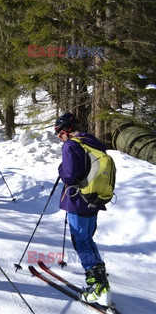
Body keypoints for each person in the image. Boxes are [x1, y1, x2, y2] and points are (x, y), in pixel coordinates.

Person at [54, 113, 111, 306]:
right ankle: (102, 282)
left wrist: (61, 170)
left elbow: (69, 176)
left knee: (81, 243)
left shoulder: (71, 145)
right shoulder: (92, 142)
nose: (58, 137)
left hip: (78, 201)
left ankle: (97, 288)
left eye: (58, 133)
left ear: (66, 130)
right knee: (88, 240)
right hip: (95, 199)